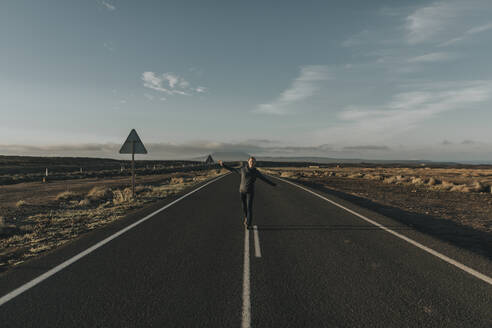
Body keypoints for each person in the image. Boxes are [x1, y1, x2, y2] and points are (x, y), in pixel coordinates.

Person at [219, 157, 276, 229]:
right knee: (244, 207)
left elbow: (264, 179)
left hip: (250, 192)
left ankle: (248, 224)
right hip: (242, 191)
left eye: (253, 161)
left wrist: (274, 184)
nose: (252, 162)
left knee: (249, 208)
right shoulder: (242, 170)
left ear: (255, 163)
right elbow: (232, 169)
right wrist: (223, 165)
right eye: (251, 161)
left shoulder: (256, 172)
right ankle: (246, 217)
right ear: (248, 162)